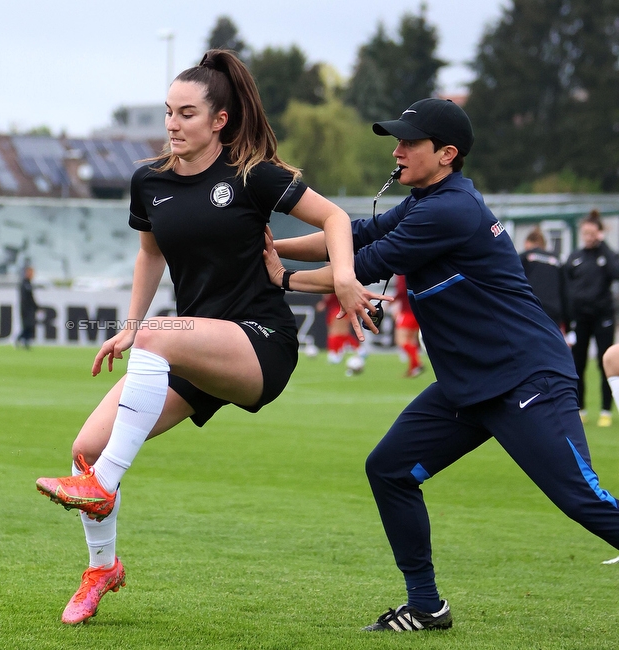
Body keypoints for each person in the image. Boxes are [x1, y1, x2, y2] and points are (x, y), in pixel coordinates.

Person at [34, 49, 383, 626]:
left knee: (155, 345)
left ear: (219, 121)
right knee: (88, 446)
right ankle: (102, 568)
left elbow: (337, 220)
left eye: (187, 113)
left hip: (258, 342)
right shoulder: (149, 181)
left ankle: (102, 486)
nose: (173, 124)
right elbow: (149, 255)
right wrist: (129, 327)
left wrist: (344, 278)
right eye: (168, 112)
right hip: (191, 347)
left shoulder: (253, 176)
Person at [264, 98, 619, 632]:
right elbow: (354, 233)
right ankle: (427, 607)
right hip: (469, 384)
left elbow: (359, 267)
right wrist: (270, 246)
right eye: (397, 140)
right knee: (389, 470)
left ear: (447, 154)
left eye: (410, 142)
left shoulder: (450, 209)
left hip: (526, 378)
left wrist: (279, 277)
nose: (397, 149)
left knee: (580, 499)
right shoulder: (429, 200)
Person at [563, 210, 619, 427]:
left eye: (592, 233)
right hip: (579, 319)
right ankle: (581, 409)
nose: (588, 237)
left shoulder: (606, 256)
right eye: (585, 233)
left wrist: (603, 244)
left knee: (605, 363)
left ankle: (606, 410)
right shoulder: (574, 257)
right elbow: (566, 288)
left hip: (603, 317)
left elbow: (616, 272)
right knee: (578, 365)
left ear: (599, 233)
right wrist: (568, 322)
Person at [519, 227, 569, 333]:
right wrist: (568, 325)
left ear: (527, 243)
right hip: (553, 314)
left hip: (531, 311)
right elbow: (566, 293)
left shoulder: (524, 258)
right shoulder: (557, 261)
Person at [392, 275, 424, 378]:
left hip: (407, 311)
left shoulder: (401, 273)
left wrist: (392, 302)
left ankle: (417, 363)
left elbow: (401, 291)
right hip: (417, 310)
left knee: (401, 340)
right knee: (411, 340)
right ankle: (413, 368)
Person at [15, 265, 38, 349]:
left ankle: (25, 342)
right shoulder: (24, 284)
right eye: (31, 272)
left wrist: (36, 307)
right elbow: (26, 299)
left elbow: (31, 298)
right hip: (26, 310)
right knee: (27, 326)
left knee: (30, 326)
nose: (32, 274)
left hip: (30, 309)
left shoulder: (28, 283)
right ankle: (19, 339)